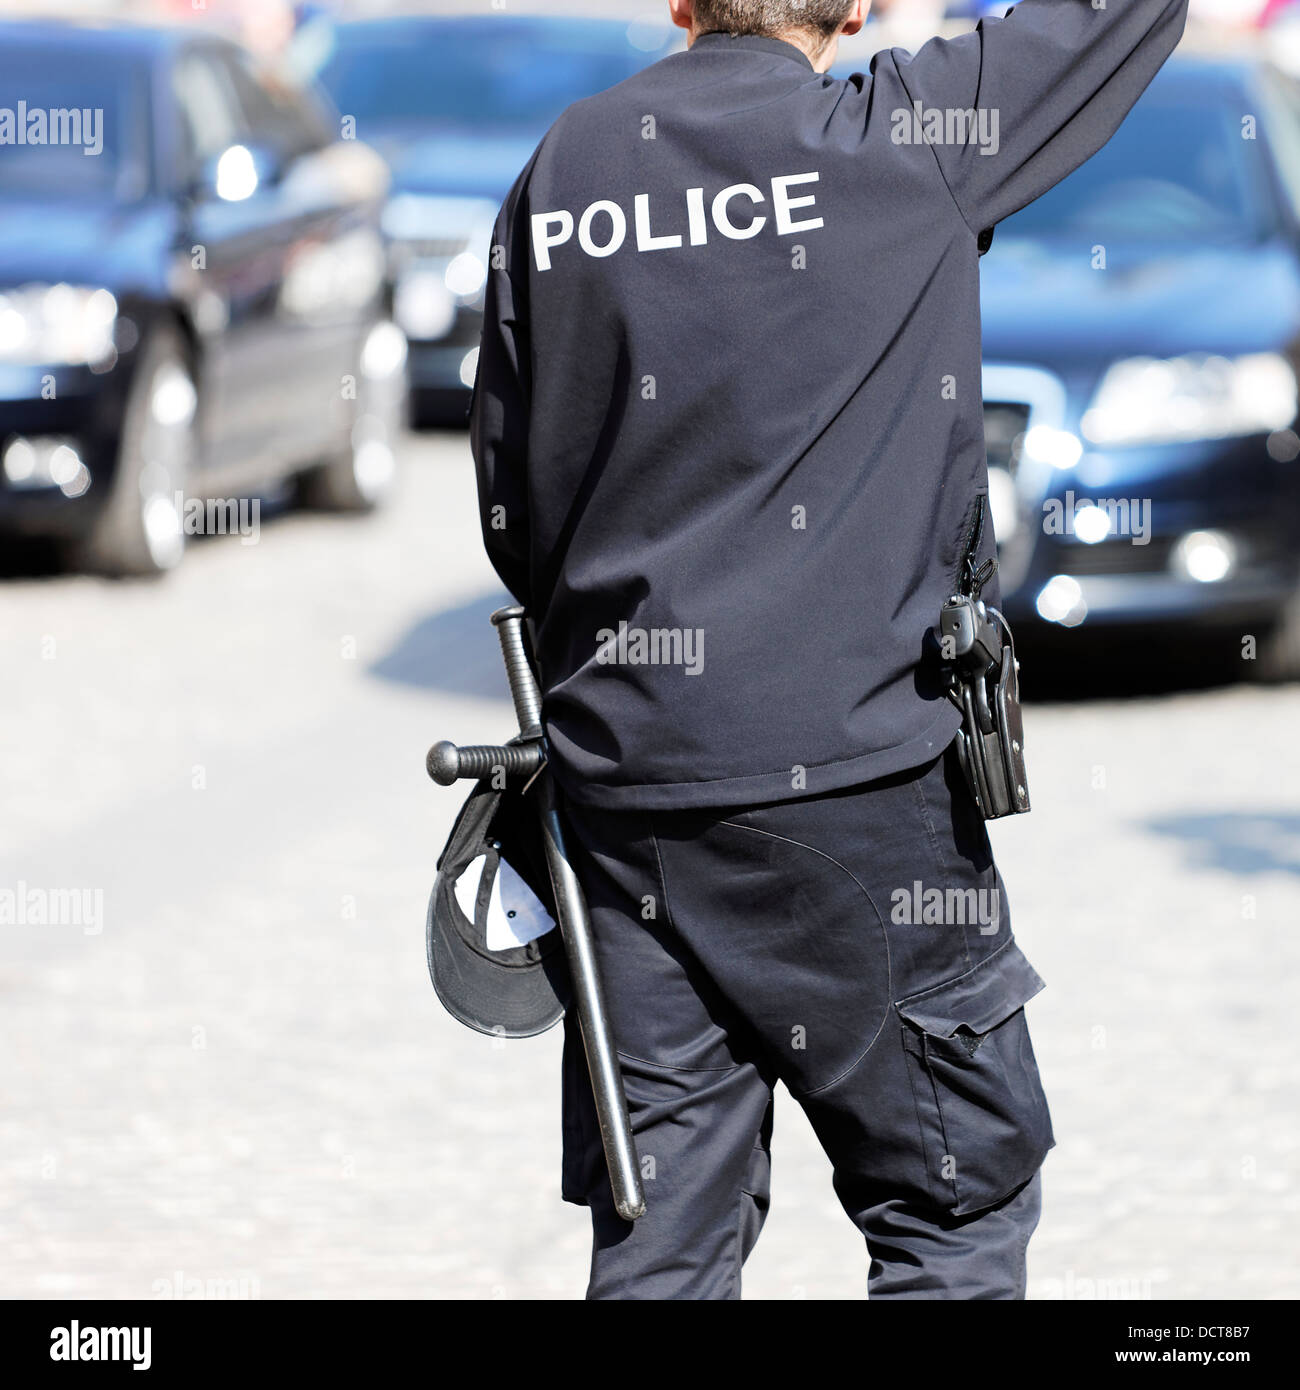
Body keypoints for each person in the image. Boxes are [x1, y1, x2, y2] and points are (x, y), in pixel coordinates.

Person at [469, 0, 1188, 1300]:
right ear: (855, 9)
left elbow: (514, 510)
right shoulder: (902, 136)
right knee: (951, 1210)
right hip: (859, 791)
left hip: (627, 796)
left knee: (662, 1242)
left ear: (679, 4)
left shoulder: (568, 167)